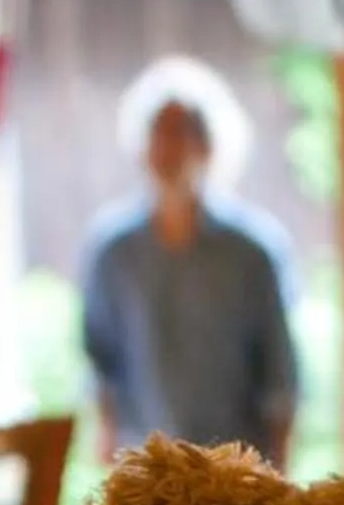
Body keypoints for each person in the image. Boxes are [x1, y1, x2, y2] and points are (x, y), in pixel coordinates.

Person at [81, 58, 299, 467]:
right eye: (159, 135)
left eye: (182, 134)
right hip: (145, 466)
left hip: (234, 467)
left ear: (208, 145)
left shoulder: (252, 252)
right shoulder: (114, 252)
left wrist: (280, 470)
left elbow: (280, 374)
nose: (170, 149)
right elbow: (100, 358)